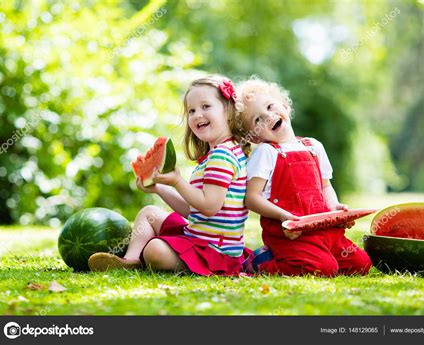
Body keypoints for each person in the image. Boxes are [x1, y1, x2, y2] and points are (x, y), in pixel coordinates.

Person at [89, 75, 250, 276]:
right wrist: (159, 187)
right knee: (149, 213)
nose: (197, 115)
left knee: (155, 250)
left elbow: (209, 207)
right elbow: (194, 211)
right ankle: (129, 261)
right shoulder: (217, 154)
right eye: (191, 110)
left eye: (206, 107)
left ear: (228, 110)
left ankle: (166, 261)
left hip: (215, 253)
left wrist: (178, 181)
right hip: (199, 239)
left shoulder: (222, 155)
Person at [235, 77, 372, 276]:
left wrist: (334, 207)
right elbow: (252, 198)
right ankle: (262, 263)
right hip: (291, 236)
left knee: (361, 264)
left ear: (284, 105)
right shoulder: (266, 152)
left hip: (325, 232)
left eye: (270, 106)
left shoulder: (314, 146)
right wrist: (283, 216)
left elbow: (325, 187)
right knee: (324, 269)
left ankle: (319, 255)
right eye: (257, 119)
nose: (267, 116)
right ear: (254, 136)